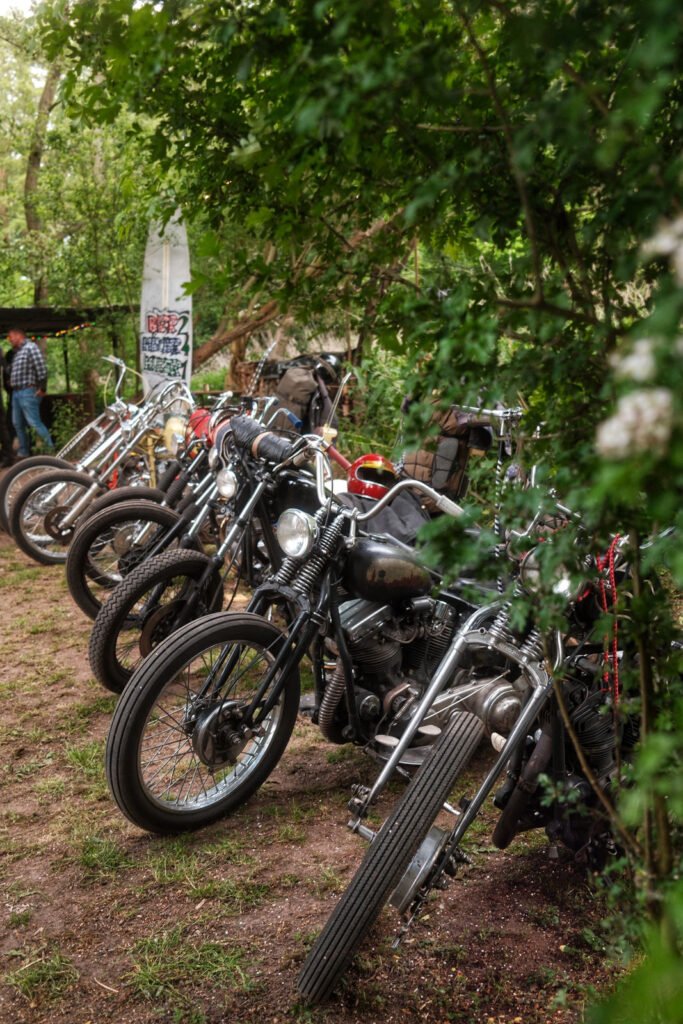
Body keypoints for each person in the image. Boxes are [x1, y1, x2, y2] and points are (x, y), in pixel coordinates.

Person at [7, 327, 54, 458]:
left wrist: (43, 388)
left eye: (11, 336)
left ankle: (50, 450)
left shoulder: (30, 347)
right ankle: (24, 452)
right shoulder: (18, 352)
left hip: (28, 391)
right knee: (17, 423)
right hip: (16, 393)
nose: (9, 339)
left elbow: (42, 369)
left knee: (34, 422)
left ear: (18, 335)